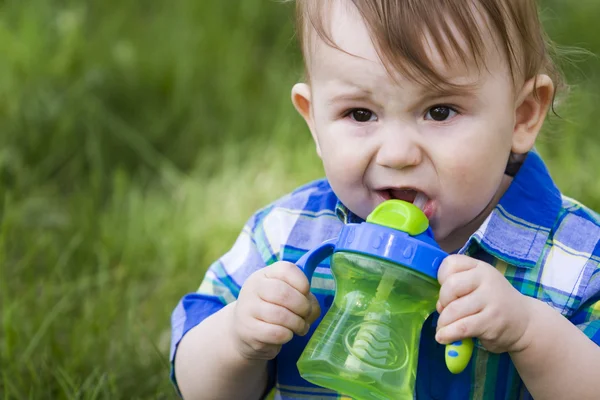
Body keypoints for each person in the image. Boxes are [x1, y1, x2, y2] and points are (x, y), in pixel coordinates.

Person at [170, 1, 600, 399]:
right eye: (360, 114)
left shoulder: (575, 262)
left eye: (440, 111)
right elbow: (198, 387)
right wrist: (237, 339)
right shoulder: (288, 238)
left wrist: (531, 333)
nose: (396, 154)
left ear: (522, 115)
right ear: (314, 120)